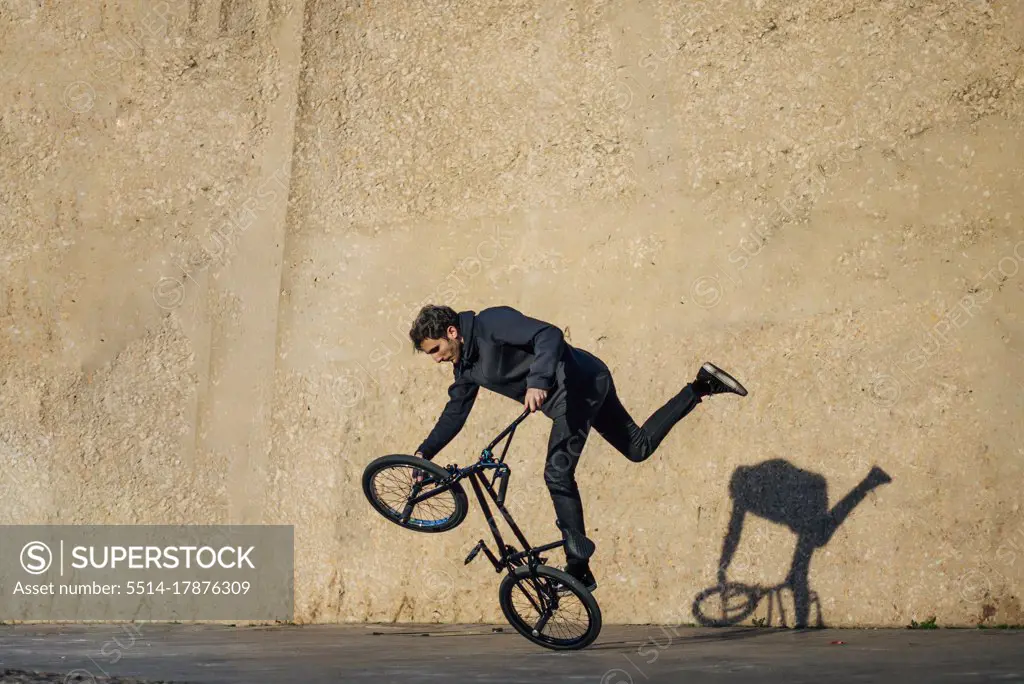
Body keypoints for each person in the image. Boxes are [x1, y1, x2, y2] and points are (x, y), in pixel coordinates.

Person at [408, 304, 748, 591]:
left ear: (451, 332)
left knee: (557, 472)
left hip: (580, 383)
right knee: (638, 448)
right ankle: (702, 385)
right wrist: (424, 455)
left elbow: (548, 334)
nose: (436, 359)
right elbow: (455, 413)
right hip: (578, 393)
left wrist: (538, 381)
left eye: (435, 350)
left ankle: (579, 564)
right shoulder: (465, 367)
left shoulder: (491, 323)